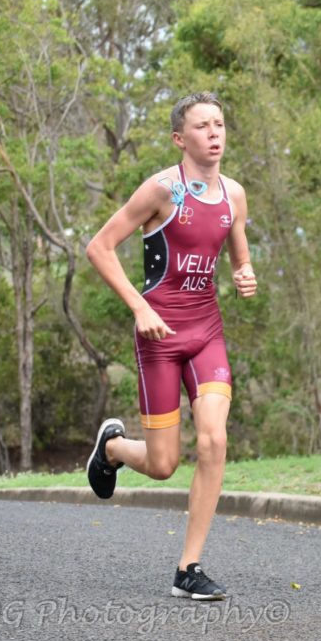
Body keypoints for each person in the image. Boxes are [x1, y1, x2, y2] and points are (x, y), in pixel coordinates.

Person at [85, 92, 257, 601]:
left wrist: (245, 275)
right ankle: (112, 448)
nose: (214, 133)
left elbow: (238, 257)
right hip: (159, 339)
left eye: (220, 124)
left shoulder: (234, 195)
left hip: (207, 333)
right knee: (163, 465)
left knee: (214, 441)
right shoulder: (161, 189)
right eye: (203, 126)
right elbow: (99, 247)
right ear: (181, 139)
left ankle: (189, 567)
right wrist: (140, 307)